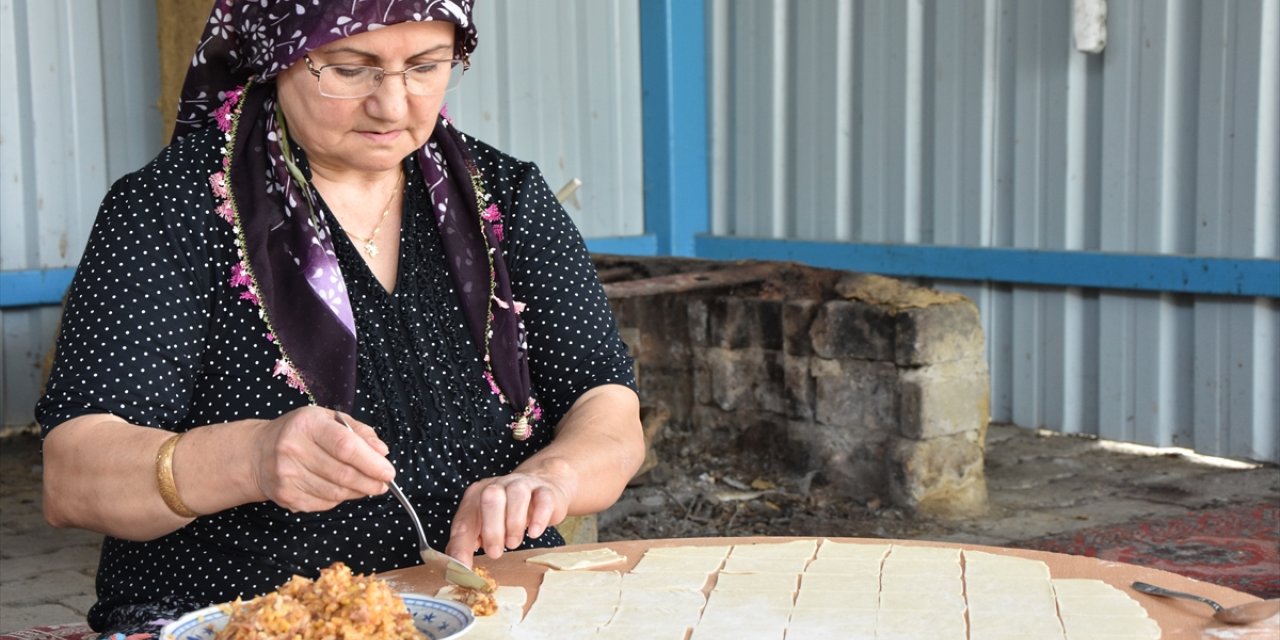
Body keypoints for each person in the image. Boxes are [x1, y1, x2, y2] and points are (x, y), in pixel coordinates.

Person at [34, 1, 643, 635]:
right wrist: (253, 457)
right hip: (241, 619)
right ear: (277, 56)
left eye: (425, 66)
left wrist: (551, 476)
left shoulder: (503, 197)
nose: (394, 104)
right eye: (353, 69)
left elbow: (606, 405)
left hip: (483, 609)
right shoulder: (172, 209)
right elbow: (74, 477)